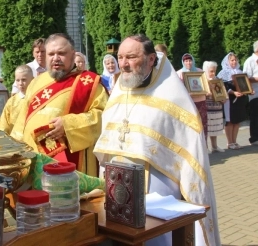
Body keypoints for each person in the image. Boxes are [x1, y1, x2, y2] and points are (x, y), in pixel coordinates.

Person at [94, 34, 220, 246]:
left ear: (151, 59)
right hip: (118, 192)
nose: (123, 64)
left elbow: (190, 152)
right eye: (121, 57)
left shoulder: (172, 96)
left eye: (131, 57)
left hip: (158, 194)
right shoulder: (118, 92)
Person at [10, 33, 108, 176]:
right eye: (51, 54)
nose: (56, 58)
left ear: (73, 55)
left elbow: (103, 117)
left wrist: (68, 125)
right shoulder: (36, 82)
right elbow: (22, 119)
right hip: (32, 159)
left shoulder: (89, 83)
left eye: (61, 53)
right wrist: (15, 148)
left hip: (70, 161)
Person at [177, 53, 209, 149]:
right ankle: (191, 148)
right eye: (186, 61)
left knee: (203, 124)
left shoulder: (199, 72)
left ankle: (203, 147)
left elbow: (205, 85)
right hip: (188, 103)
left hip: (201, 101)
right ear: (183, 62)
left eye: (190, 60)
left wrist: (206, 91)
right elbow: (178, 89)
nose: (188, 63)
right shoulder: (179, 73)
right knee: (191, 125)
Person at [218, 53, 249, 150]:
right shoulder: (223, 73)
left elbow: (244, 86)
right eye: (232, 60)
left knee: (237, 121)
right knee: (230, 121)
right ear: (227, 61)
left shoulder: (240, 72)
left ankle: (235, 141)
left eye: (235, 60)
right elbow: (221, 87)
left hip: (239, 100)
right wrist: (233, 92)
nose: (234, 62)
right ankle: (229, 142)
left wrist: (249, 91)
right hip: (229, 100)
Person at [0, 65, 34, 134]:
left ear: (32, 80)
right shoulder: (11, 101)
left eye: (24, 80)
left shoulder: (37, 98)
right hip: (14, 141)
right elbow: (4, 124)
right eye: (17, 80)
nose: (20, 83)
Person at [203, 61, 225, 153]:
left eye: (214, 71)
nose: (213, 73)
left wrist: (222, 97)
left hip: (217, 108)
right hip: (207, 108)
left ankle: (214, 146)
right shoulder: (203, 80)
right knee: (207, 128)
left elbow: (223, 93)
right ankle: (206, 147)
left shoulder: (217, 80)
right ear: (206, 70)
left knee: (214, 128)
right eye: (211, 71)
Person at [243, 41, 258, 145]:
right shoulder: (250, 61)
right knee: (255, 116)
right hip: (255, 93)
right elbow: (245, 78)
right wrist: (256, 79)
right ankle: (254, 139)